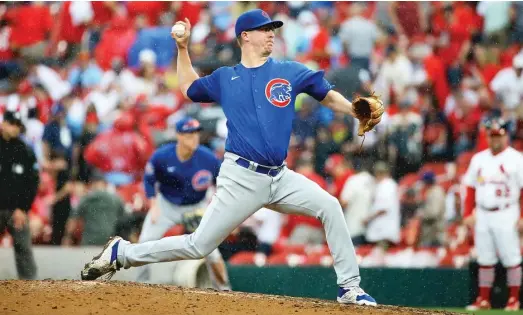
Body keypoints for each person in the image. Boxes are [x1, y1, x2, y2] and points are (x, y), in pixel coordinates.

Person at [81, 9, 384, 306]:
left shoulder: (289, 71)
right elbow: (188, 87)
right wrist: (183, 48)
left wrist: (355, 110)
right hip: (241, 177)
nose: (271, 34)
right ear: (245, 36)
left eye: (273, 29)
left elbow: (326, 94)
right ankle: (122, 253)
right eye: (265, 29)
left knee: (330, 206)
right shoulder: (226, 78)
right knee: (198, 245)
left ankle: (349, 288)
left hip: (280, 177)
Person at [132, 117, 230, 290]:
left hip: (196, 207)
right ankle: (140, 287)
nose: (194, 138)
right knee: (144, 243)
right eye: (189, 134)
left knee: (213, 253)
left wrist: (212, 208)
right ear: (178, 135)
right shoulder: (163, 156)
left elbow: (222, 185)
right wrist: (154, 205)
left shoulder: (208, 159)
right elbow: (149, 180)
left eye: (196, 134)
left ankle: (225, 290)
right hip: (166, 205)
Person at [463, 118, 523, 311]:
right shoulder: (479, 159)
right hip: (483, 212)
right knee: (485, 258)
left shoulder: (516, 158)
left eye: (498, 135)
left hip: (507, 211)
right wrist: (467, 212)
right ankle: (483, 299)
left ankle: (514, 299)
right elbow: (470, 188)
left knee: (511, 257)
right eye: (492, 135)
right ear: (487, 136)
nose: (495, 139)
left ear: (506, 136)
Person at [0, 111, 39, 279]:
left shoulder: (25, 151)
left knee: (24, 248)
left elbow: (32, 182)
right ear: (3, 123)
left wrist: (23, 208)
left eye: (18, 125)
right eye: (12, 124)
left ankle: (29, 289)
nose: (15, 128)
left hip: (16, 211)